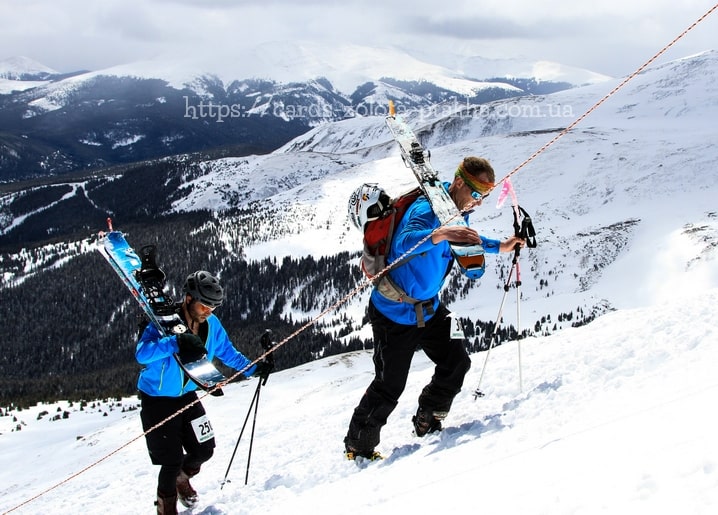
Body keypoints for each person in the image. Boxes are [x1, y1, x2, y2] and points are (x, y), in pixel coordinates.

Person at [344, 156, 524, 460]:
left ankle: (429, 415)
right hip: (394, 315)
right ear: (457, 183)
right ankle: (358, 447)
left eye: (485, 197)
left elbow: (465, 240)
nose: (479, 203)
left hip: (429, 310)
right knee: (389, 385)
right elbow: (404, 242)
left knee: (457, 362)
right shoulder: (428, 210)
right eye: (477, 194)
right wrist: (439, 233)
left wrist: (501, 246)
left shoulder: (457, 209)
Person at [136, 270, 272, 514]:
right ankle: (166, 508)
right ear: (188, 299)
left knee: (204, 449)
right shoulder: (163, 321)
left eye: (213, 307)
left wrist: (252, 369)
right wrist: (175, 343)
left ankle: (182, 479)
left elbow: (227, 351)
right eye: (205, 305)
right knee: (170, 460)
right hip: (157, 400)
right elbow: (142, 354)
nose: (209, 311)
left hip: (188, 395)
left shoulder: (212, 325)